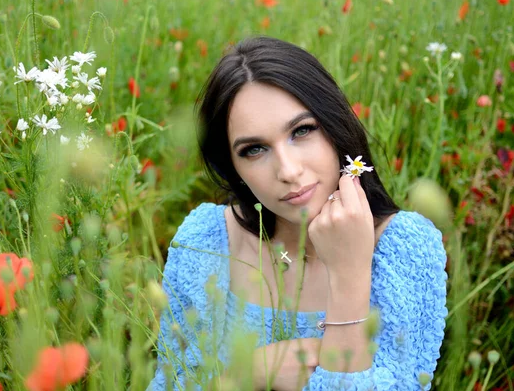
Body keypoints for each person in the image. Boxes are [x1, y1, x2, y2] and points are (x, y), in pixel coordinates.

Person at [147, 36, 448, 391]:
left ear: (335, 127)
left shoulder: (405, 250)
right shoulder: (206, 242)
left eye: (302, 131)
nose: (288, 170)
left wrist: (350, 273)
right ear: (233, 168)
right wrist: (248, 374)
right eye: (254, 149)